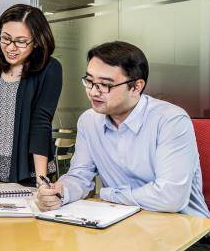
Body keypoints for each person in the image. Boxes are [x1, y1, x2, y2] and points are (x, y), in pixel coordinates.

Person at [37, 41, 210, 219]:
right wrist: (60, 192)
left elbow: (171, 197)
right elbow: (80, 177)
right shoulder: (89, 121)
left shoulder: (170, 121)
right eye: (89, 81)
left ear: (136, 87)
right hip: (122, 224)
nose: (93, 92)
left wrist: (108, 194)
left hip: (185, 231)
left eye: (105, 85)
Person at [0, 4, 62, 187]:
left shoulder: (50, 69)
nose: (11, 47)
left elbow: (41, 123)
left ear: (36, 41)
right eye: (6, 39)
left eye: (20, 41)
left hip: (32, 171)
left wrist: (41, 180)